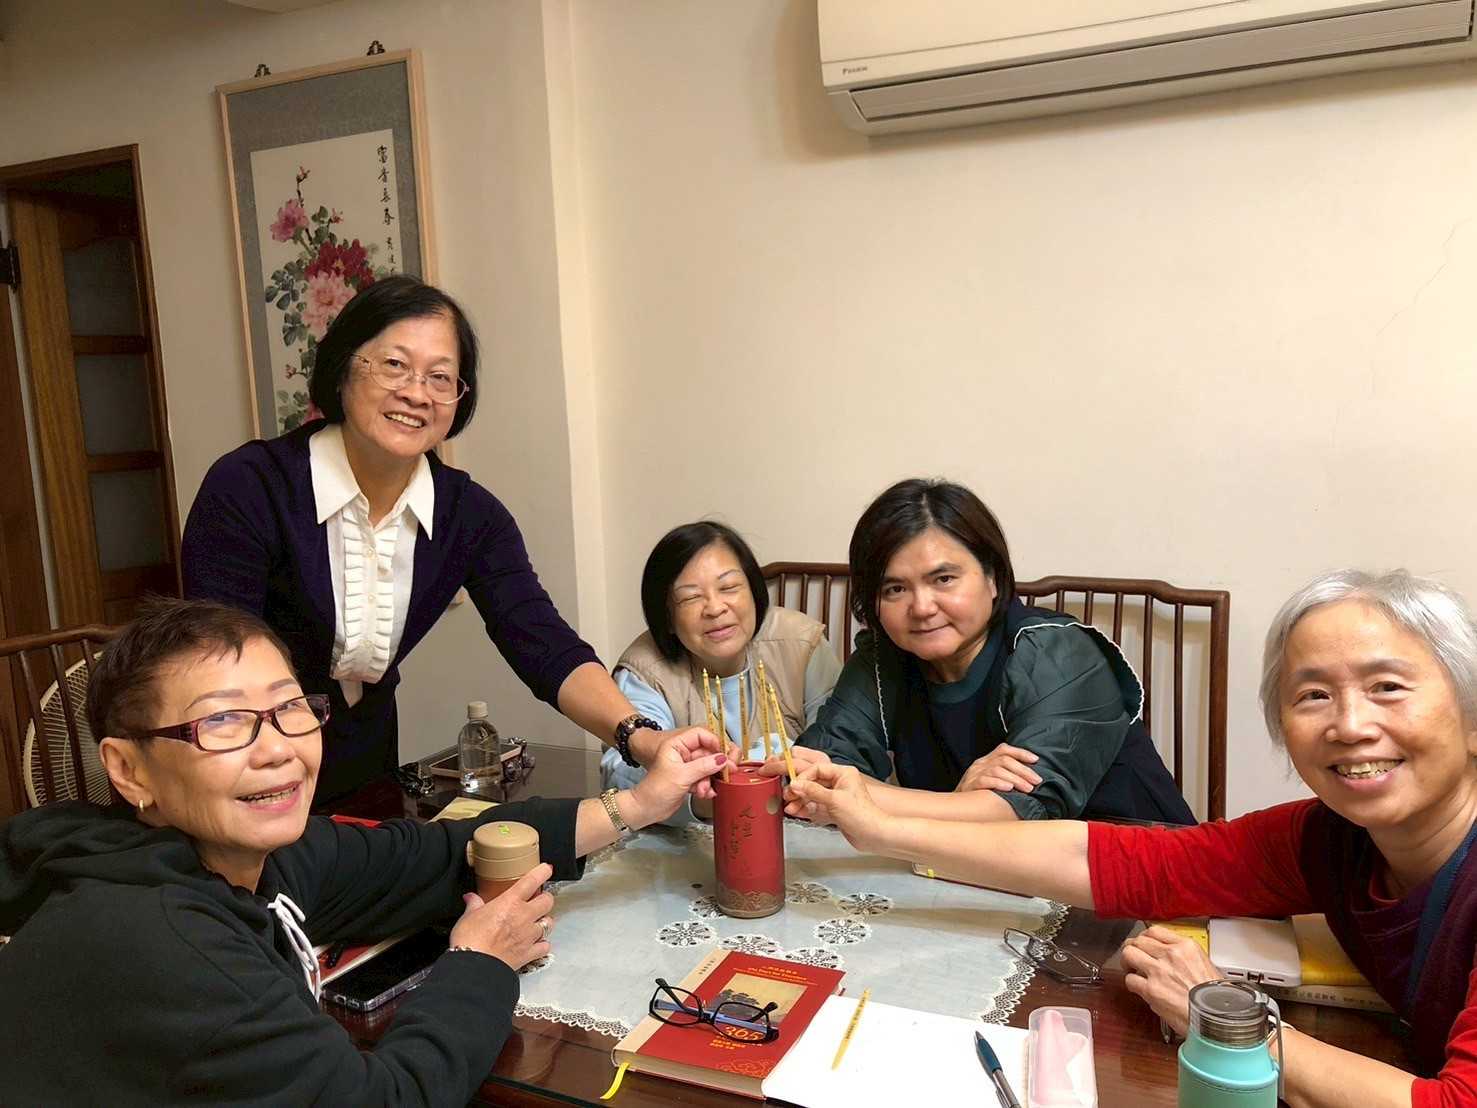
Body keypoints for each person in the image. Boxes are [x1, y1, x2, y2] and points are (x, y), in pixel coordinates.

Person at [789, 569, 1477, 1106]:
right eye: (1313, 695)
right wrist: (881, 828)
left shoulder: (1056, 651)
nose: (1350, 725)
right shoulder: (1330, 837)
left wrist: (1233, 1023)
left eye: (1388, 687)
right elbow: (1127, 862)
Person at [0, 598, 727, 1107]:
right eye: (222, 722)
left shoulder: (249, 855)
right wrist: (477, 963)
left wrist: (638, 804)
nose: (277, 750)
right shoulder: (165, 945)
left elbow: (434, 852)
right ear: (128, 770)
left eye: (289, 707)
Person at [182, 276, 684, 800]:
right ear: (344, 366)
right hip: (249, 755)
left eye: (440, 377)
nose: (416, 393)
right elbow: (217, 657)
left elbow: (540, 638)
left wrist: (641, 738)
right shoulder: (250, 486)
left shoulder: (470, 515)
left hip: (368, 756)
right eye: (394, 365)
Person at [774, 478, 1192, 824]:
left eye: (943, 579)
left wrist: (865, 795)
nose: (921, 607)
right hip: (986, 875)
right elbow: (814, 775)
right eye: (895, 588)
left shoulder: (1054, 652)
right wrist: (960, 804)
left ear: (992, 577)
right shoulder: (883, 660)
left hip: (1138, 866)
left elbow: (1020, 812)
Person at [600, 521, 842, 822]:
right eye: (690, 597)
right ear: (667, 617)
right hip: (697, 833)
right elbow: (622, 774)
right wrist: (709, 799)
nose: (715, 608)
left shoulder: (801, 643)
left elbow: (839, 747)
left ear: (753, 591)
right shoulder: (644, 669)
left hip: (802, 823)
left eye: (728, 587)